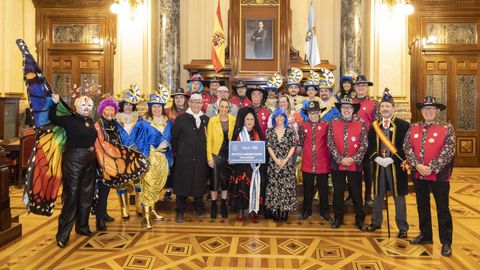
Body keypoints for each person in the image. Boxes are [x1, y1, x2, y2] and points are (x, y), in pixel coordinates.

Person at [403, 95, 455, 257]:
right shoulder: (413, 127)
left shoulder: (447, 128)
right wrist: (417, 165)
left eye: (431, 109)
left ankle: (446, 242)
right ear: (422, 111)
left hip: (439, 176)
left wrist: (431, 168)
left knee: (442, 209)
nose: (428, 111)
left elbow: (448, 151)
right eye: (425, 109)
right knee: (422, 206)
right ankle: (426, 235)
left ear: (437, 110)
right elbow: (407, 147)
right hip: (419, 174)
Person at [50, 94, 97, 248]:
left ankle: (82, 227)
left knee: (86, 194)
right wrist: (55, 103)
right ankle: (63, 235)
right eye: (83, 105)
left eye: (89, 106)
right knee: (71, 196)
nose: (86, 108)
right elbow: (53, 117)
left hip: (90, 159)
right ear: (76, 106)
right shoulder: (70, 119)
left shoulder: (89, 121)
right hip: (74, 160)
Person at [366, 89, 410, 239]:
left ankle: (402, 227)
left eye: (388, 106)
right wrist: (376, 158)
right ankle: (376, 222)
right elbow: (370, 146)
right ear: (380, 109)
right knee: (378, 195)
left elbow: (407, 147)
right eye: (382, 106)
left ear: (393, 108)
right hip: (378, 167)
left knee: (399, 197)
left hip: (396, 167)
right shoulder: (374, 126)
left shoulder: (403, 125)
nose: (385, 109)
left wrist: (393, 159)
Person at [328, 96, 368, 230]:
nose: (346, 109)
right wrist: (340, 159)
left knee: (356, 192)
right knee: (338, 192)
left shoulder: (361, 122)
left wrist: (353, 159)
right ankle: (338, 217)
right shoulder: (333, 122)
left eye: (349, 107)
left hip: (355, 164)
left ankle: (360, 219)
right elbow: (330, 143)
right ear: (340, 109)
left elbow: (364, 144)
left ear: (353, 109)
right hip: (337, 164)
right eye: (344, 107)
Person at [171, 93, 210, 223]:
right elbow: (174, 138)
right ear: (190, 103)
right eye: (194, 102)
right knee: (182, 185)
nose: (196, 105)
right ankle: (180, 211)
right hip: (184, 159)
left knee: (199, 183)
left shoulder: (206, 119)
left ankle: (198, 208)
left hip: (201, 159)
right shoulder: (181, 119)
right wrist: (180, 152)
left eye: (199, 102)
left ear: (202, 104)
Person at [139, 85, 173, 229]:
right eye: (154, 107)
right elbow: (141, 141)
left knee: (158, 186)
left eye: (159, 107)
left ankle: (153, 210)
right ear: (150, 108)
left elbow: (171, 140)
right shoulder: (145, 124)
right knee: (148, 187)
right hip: (150, 159)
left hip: (162, 160)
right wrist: (147, 155)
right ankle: (146, 218)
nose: (157, 109)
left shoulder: (168, 123)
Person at [115, 86, 147, 219]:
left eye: (130, 104)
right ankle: (124, 209)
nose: (128, 107)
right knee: (122, 181)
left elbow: (142, 135)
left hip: (136, 153)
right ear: (122, 105)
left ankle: (139, 206)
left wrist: (138, 148)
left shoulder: (138, 119)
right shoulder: (115, 119)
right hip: (120, 155)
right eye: (126, 104)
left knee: (138, 179)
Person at [229, 107, 265, 222]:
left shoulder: (258, 134)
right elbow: (233, 151)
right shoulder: (238, 133)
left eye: (252, 119)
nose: (249, 121)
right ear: (243, 121)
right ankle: (240, 210)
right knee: (242, 185)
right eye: (247, 119)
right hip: (241, 167)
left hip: (254, 168)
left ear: (255, 121)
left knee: (254, 186)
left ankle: (252, 210)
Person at [297, 101, 332, 221]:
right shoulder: (303, 126)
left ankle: (325, 211)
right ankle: (306, 210)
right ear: (308, 114)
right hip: (307, 162)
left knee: (323, 189)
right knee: (308, 188)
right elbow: (301, 141)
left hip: (323, 162)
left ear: (319, 113)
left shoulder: (326, 125)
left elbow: (329, 142)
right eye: (311, 113)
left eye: (315, 113)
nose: (313, 115)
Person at [351, 74, 379, 206]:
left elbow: (377, 124)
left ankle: (368, 195)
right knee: (353, 170)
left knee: (368, 170)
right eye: (358, 85)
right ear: (355, 87)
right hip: (352, 142)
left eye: (363, 85)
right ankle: (352, 195)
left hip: (368, 142)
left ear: (367, 87)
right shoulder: (350, 103)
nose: (361, 87)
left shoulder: (374, 104)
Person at [265, 108, 297, 222]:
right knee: (274, 187)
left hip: (287, 163)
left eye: (281, 116)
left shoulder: (290, 131)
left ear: (285, 117)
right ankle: (275, 209)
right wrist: (276, 160)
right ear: (274, 118)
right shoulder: (269, 131)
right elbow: (268, 146)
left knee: (286, 187)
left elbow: (293, 146)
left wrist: (286, 159)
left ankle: (284, 211)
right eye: (277, 117)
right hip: (274, 164)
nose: (279, 118)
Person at [206, 99, 236, 219]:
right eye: (222, 107)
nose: (224, 109)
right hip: (215, 154)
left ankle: (223, 204)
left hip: (228, 155)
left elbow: (235, 137)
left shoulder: (233, 120)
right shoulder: (213, 120)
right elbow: (209, 140)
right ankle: (214, 205)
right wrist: (209, 158)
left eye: (226, 107)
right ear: (218, 107)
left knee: (225, 181)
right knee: (214, 181)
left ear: (229, 108)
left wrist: (235, 155)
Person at [94, 98, 120, 231]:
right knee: (102, 192)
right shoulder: (98, 125)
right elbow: (100, 144)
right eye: (107, 109)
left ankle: (103, 213)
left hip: (112, 162)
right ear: (102, 111)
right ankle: (99, 220)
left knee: (107, 190)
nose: (109, 112)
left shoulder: (114, 124)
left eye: (112, 110)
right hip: (102, 163)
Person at [164, 87, 189, 201]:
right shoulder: (168, 111)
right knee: (171, 168)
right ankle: (168, 191)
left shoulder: (189, 111)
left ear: (185, 99)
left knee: (184, 169)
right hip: (172, 144)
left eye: (181, 97)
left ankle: (184, 190)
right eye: (176, 97)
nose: (179, 100)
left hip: (186, 145)